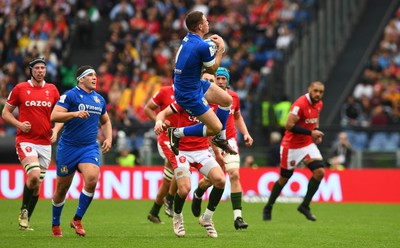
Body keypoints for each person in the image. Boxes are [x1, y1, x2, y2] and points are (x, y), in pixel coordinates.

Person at [50, 65, 112, 237]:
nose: (95, 78)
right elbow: (54, 116)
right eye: (90, 75)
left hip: (89, 147)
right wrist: (74, 114)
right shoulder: (69, 95)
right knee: (62, 189)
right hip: (68, 148)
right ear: (80, 79)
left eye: (95, 75)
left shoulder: (99, 99)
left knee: (92, 179)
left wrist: (108, 138)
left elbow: (106, 121)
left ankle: (77, 219)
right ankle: (55, 224)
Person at [1, 57, 61, 231]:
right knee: (34, 175)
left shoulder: (52, 90)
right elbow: (6, 113)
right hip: (26, 140)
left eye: (43, 68)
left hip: (45, 143)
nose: (40, 71)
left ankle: (25, 219)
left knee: (36, 186)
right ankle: (24, 211)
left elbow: (60, 113)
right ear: (31, 70)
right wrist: (19, 124)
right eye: (37, 68)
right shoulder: (20, 88)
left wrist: (56, 130)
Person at [191, 68, 253, 230]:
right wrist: (217, 152)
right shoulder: (207, 98)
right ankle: (198, 192)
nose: (219, 81)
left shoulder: (233, 97)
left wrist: (246, 133)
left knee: (234, 174)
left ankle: (238, 217)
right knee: (213, 180)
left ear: (227, 81)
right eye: (217, 78)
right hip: (211, 142)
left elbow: (237, 116)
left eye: (222, 79)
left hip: (229, 140)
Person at [168, 10, 237, 156]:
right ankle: (177, 133)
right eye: (205, 21)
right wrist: (220, 50)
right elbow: (212, 70)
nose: (208, 22)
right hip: (188, 94)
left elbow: (197, 51)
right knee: (215, 127)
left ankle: (221, 139)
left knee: (227, 100)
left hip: (193, 84)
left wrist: (209, 44)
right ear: (200, 26)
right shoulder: (202, 46)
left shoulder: (189, 38)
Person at [154, 100, 226, 238]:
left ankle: (207, 218)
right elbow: (163, 113)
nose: (209, 84)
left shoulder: (213, 105)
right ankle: (178, 216)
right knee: (184, 189)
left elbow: (213, 132)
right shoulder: (185, 100)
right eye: (206, 80)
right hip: (182, 152)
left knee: (220, 180)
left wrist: (217, 154)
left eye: (211, 81)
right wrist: (158, 122)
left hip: (202, 151)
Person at [262, 81, 325, 222]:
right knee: (284, 178)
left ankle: (305, 205)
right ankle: (268, 206)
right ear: (309, 89)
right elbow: (288, 125)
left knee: (320, 172)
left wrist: (315, 131)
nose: (318, 94)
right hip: (291, 146)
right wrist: (311, 132)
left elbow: (315, 119)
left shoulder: (319, 104)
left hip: (307, 143)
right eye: (315, 91)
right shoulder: (300, 104)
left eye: (321, 92)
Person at [144, 84, 178, 224]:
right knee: (179, 166)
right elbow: (147, 109)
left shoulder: (190, 91)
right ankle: (170, 199)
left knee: (167, 180)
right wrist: (160, 121)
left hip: (182, 138)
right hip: (166, 139)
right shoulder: (165, 91)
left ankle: (154, 212)